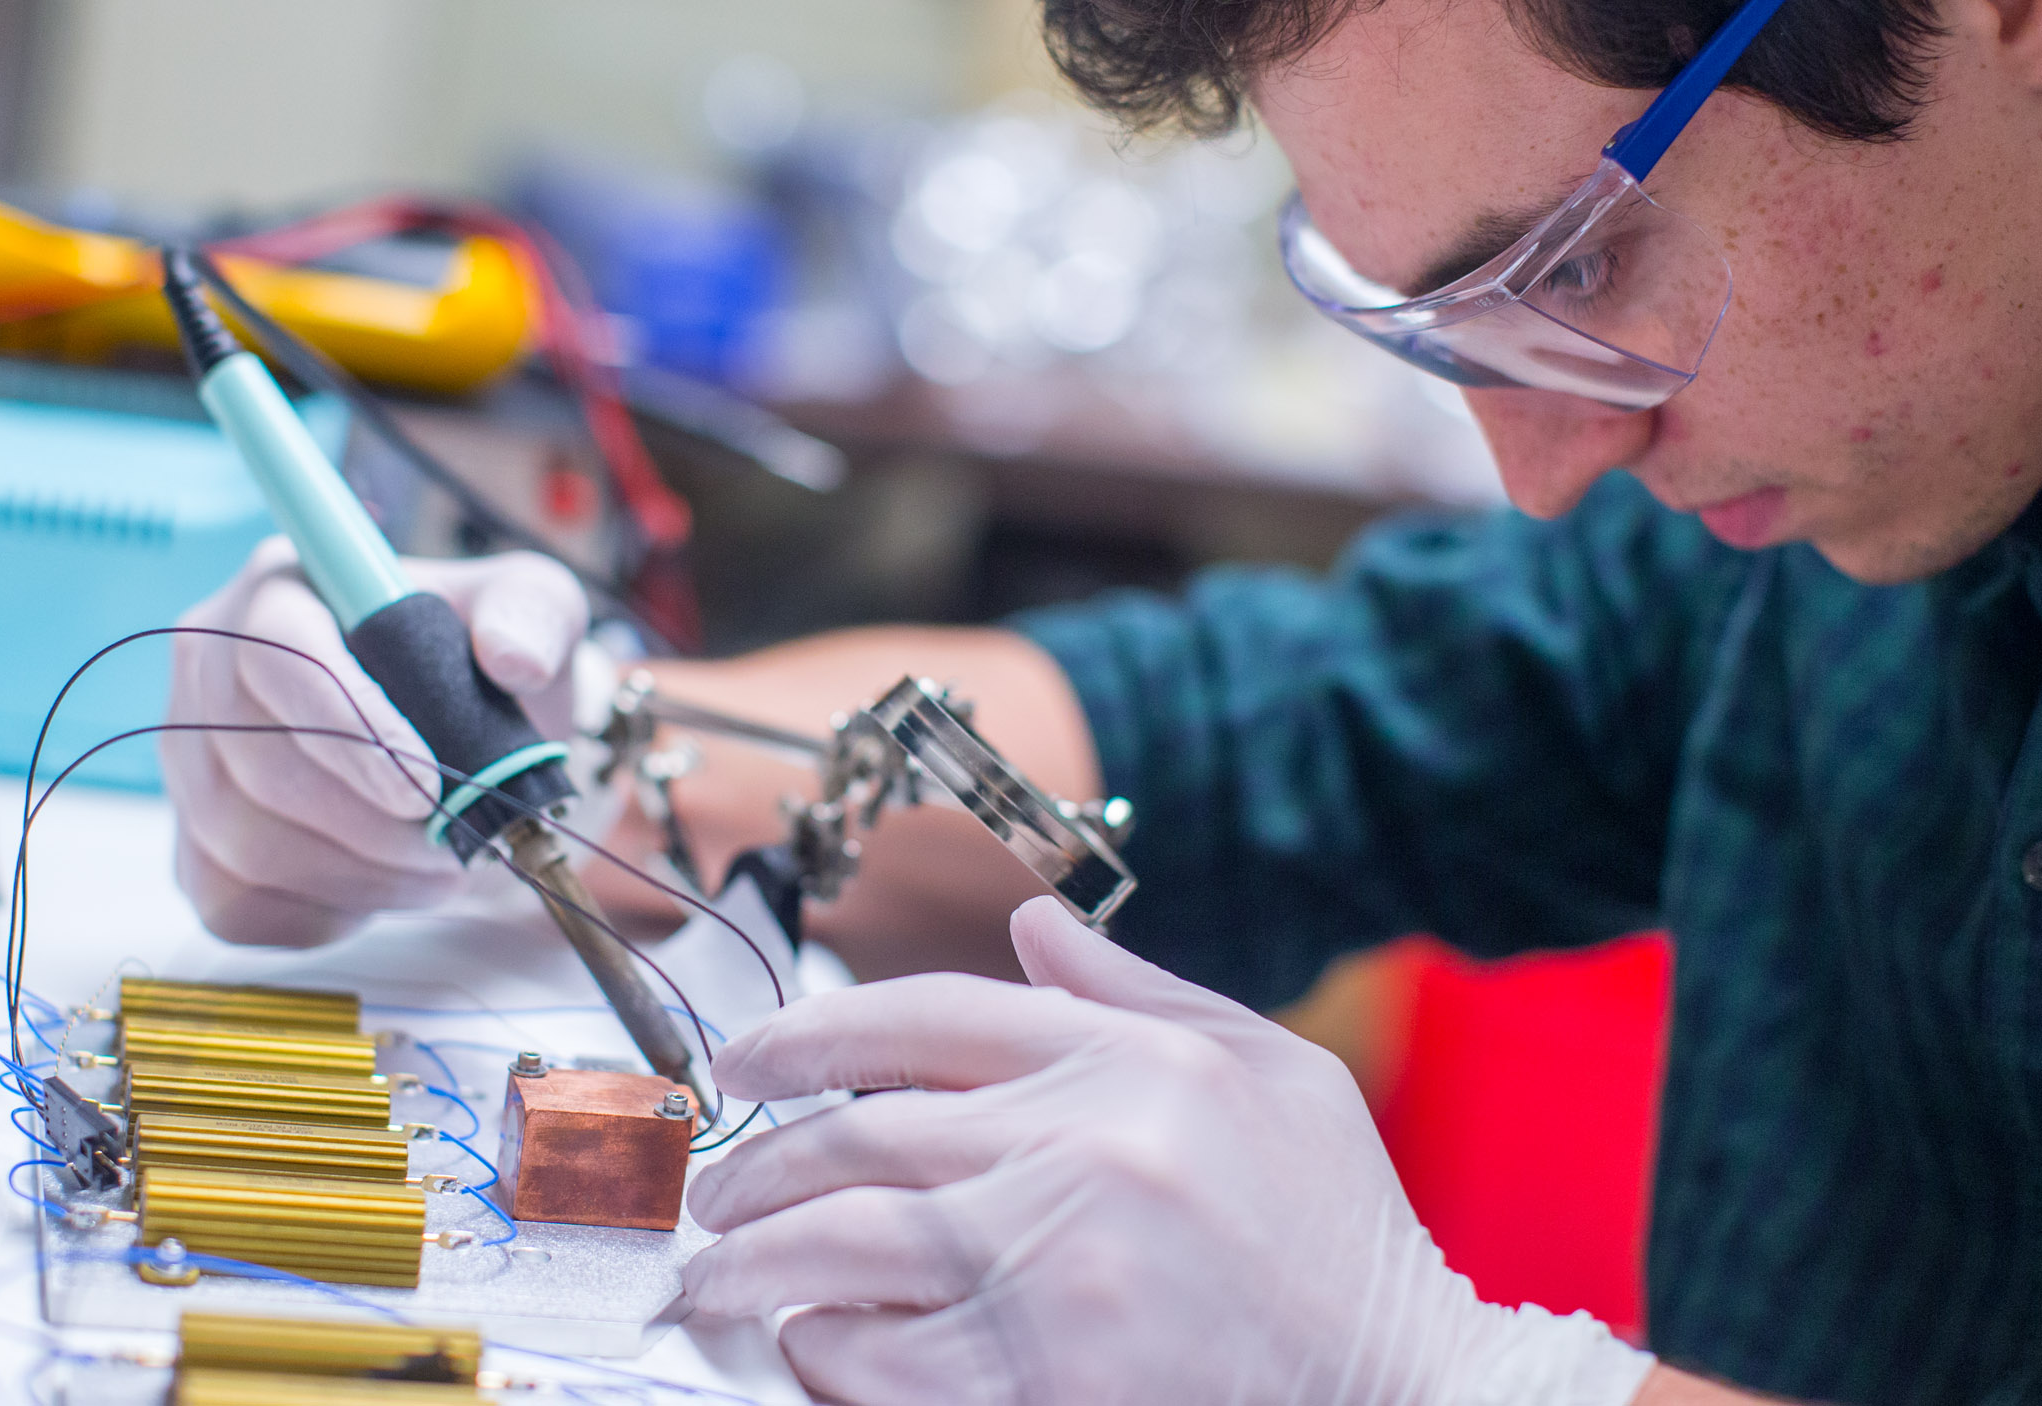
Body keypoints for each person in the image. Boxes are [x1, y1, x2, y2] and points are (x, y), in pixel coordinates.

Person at [159, 0, 2042, 1400]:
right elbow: (1246, 736)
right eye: (1436, 324)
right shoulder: (1803, 546)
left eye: (1588, 263)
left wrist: (1442, 1372)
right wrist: (567, 755)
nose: (1540, 463)